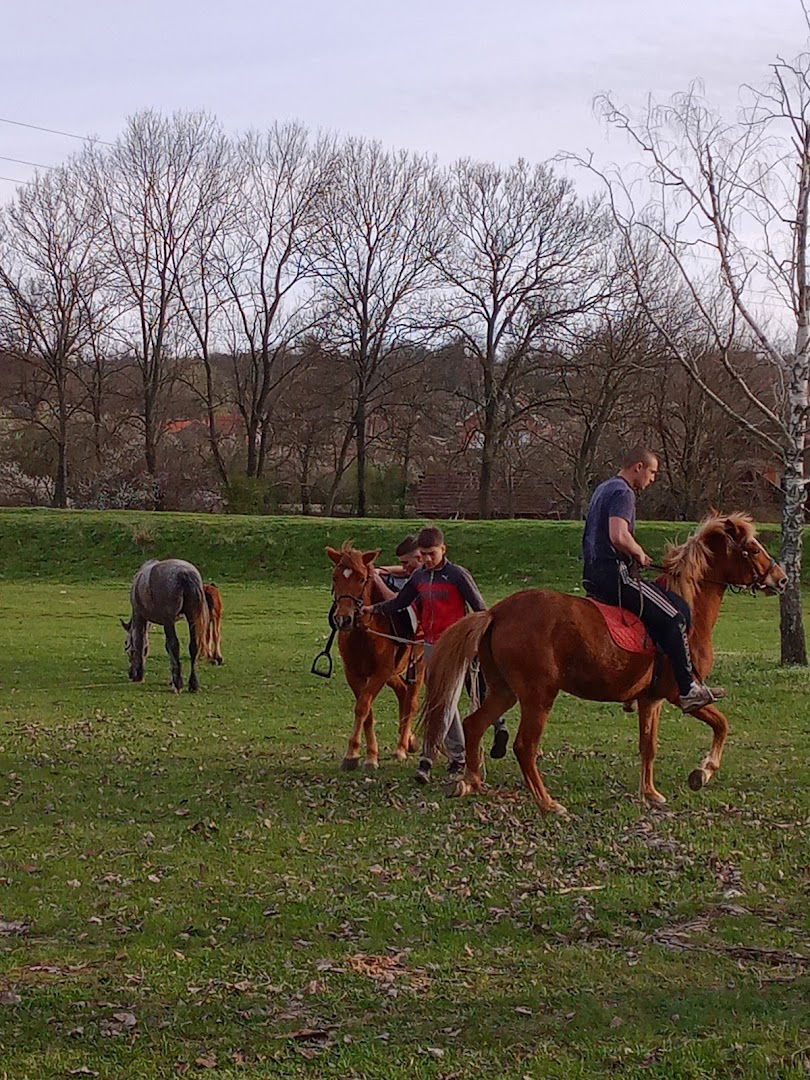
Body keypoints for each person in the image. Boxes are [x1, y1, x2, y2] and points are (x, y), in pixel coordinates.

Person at [582, 446, 724, 713]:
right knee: (674, 617)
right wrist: (639, 553)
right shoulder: (623, 492)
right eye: (652, 472)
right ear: (638, 467)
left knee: (679, 606)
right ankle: (687, 688)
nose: (653, 479)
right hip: (615, 576)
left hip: (593, 573)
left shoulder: (603, 488)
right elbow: (618, 535)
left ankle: (648, 683)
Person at [363, 525, 509, 783]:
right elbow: (400, 602)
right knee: (442, 702)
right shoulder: (419, 578)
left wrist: (476, 641)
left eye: (432, 553)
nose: (428, 559)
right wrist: (374, 609)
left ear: (444, 549)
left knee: (445, 700)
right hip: (430, 647)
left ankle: (427, 759)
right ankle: (459, 756)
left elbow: (480, 609)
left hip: (456, 647)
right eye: (424, 554)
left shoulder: (457, 576)